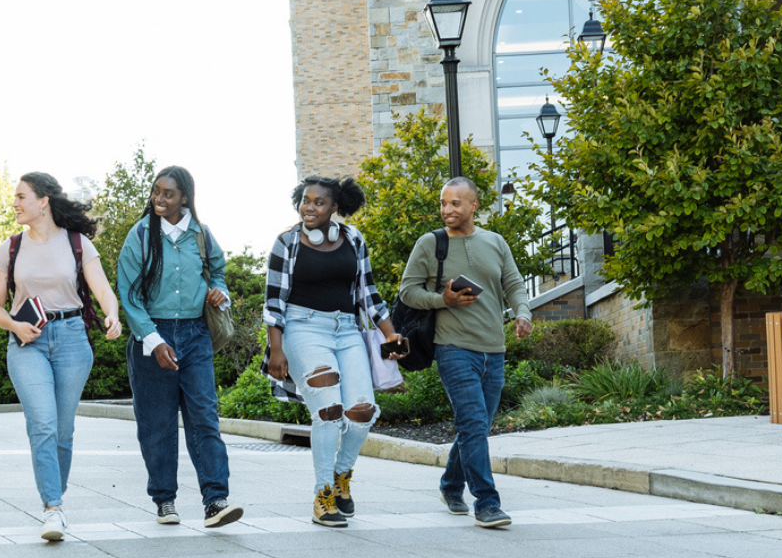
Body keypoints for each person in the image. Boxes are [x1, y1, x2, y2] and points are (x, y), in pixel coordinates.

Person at [0, 172, 124, 542]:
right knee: (43, 424)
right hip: (28, 342)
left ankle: (54, 501)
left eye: (21, 196)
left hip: (73, 339)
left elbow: (103, 290)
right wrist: (15, 326)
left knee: (63, 431)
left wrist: (113, 314)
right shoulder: (10, 248)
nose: (15, 203)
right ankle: (53, 508)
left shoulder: (77, 243)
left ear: (43, 200)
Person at [264, 175, 407, 528]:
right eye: (305, 200)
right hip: (302, 328)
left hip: (346, 331)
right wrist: (276, 350)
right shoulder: (287, 243)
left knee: (362, 410)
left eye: (318, 202)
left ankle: (342, 477)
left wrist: (390, 335)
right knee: (328, 409)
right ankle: (323, 493)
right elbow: (273, 303)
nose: (309, 207)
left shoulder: (353, 239)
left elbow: (369, 294)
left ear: (335, 208)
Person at [399, 178, 531, 528]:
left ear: (474, 206)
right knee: (472, 422)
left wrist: (523, 313)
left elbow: (514, 284)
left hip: (494, 348)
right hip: (453, 346)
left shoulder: (495, 241)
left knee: (479, 425)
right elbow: (407, 291)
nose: (447, 210)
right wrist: (441, 300)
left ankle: (451, 484)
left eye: (456, 203)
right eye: (444, 203)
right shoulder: (431, 244)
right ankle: (487, 502)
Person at [117, 166, 243, 528]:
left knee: (204, 416)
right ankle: (164, 499)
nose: (159, 198)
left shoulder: (201, 235)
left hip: (195, 334)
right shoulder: (140, 235)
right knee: (157, 423)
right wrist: (153, 339)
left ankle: (215, 500)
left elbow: (218, 271)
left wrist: (221, 292)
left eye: (168, 193)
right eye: (156, 191)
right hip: (152, 335)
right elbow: (129, 294)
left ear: (184, 197)